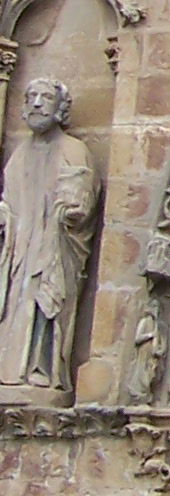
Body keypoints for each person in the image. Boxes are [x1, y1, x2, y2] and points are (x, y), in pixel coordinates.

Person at [0, 79, 100, 397]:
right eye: (31, 97)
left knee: (46, 301)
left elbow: (81, 204)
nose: (37, 103)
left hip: (54, 246)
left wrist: (70, 211)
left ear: (60, 108)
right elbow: (11, 202)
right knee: (17, 304)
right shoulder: (18, 155)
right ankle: (12, 372)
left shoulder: (74, 150)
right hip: (19, 251)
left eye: (45, 97)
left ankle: (42, 371)